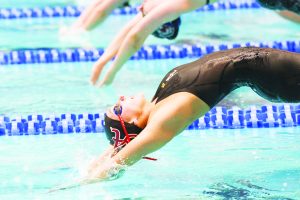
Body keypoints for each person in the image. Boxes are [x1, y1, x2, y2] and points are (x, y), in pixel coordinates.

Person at [58, 47, 298, 189]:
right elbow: (120, 160)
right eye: (118, 108)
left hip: (270, 67)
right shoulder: (163, 119)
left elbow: (119, 147)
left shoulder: (158, 102)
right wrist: (76, 186)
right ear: (131, 123)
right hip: (275, 75)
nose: (121, 98)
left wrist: (105, 154)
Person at [90, 0, 217, 86]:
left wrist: (111, 71)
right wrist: (103, 63)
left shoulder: (172, 8)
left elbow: (135, 36)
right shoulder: (171, 5)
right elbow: (133, 32)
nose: (140, 8)